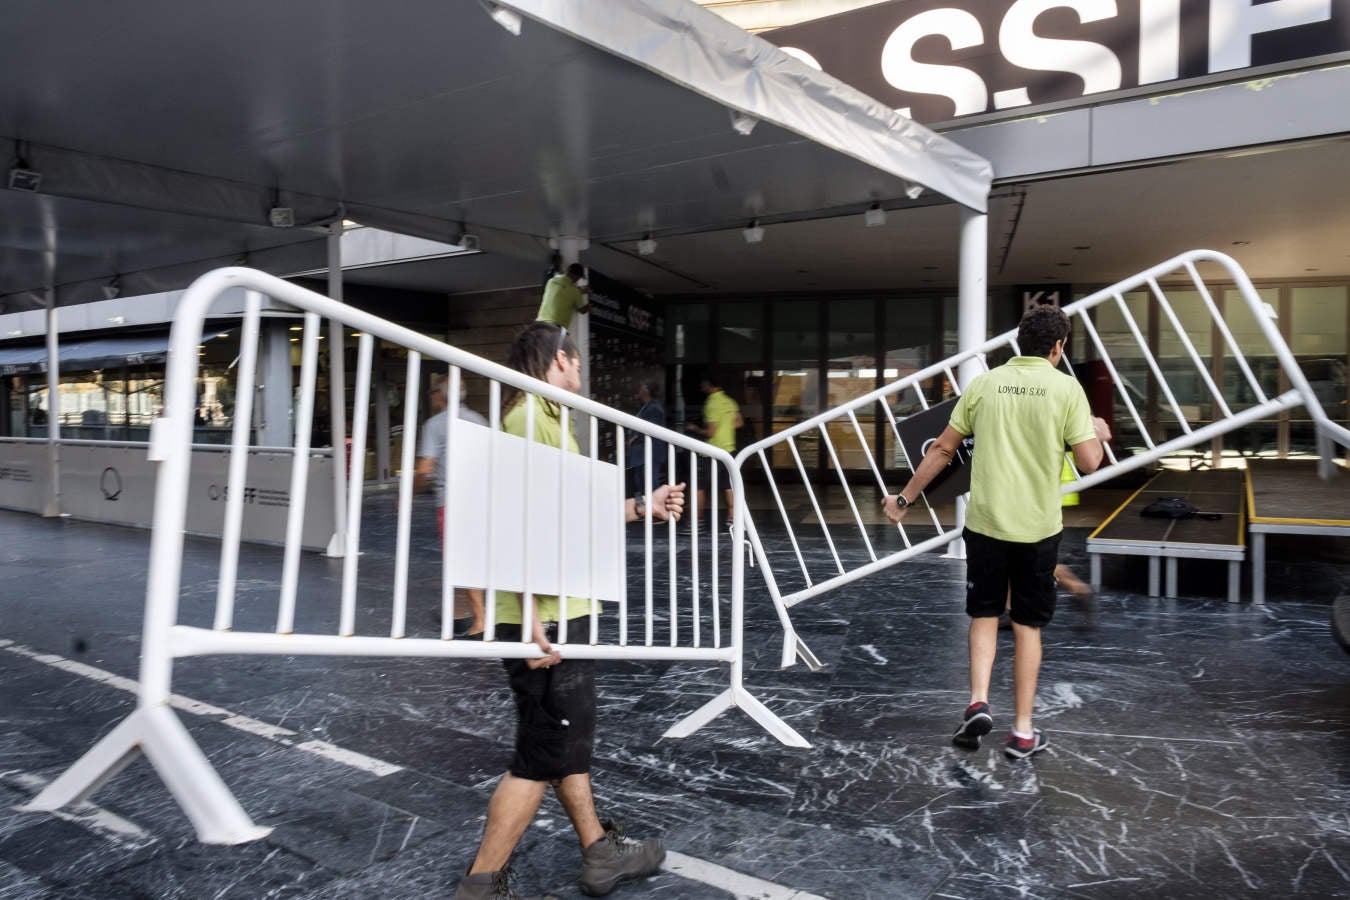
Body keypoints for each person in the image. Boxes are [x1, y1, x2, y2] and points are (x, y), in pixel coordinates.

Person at [454, 322, 684, 900]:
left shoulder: (548, 419)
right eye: (577, 364)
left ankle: (600, 854)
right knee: (540, 751)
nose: (581, 376)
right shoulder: (530, 417)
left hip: (558, 609)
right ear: (560, 359)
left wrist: (640, 506)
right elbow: (518, 517)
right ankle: (482, 882)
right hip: (543, 617)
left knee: (567, 741)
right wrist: (534, 615)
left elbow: (567, 510)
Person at [882, 305, 1110, 760]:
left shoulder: (984, 385)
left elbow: (944, 449)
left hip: (986, 524)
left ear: (1018, 342)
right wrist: (1098, 432)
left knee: (984, 614)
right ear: (1058, 346)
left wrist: (903, 500)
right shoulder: (1066, 389)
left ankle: (978, 701)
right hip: (1037, 529)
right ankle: (1022, 732)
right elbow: (1089, 462)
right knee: (1027, 627)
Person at [415, 373, 490, 637]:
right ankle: (460, 615)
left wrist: (409, 489)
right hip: (478, 498)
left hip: (452, 502)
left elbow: (425, 467)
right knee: (467, 557)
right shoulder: (479, 420)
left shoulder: (436, 425)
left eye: (434, 392)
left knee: (461, 559)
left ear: (440, 396)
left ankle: (480, 621)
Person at [685, 369, 742, 529]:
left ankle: (697, 521)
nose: (702, 387)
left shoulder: (711, 403)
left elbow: (710, 432)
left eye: (703, 384)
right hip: (729, 451)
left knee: (698, 486)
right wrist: (725, 426)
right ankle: (732, 519)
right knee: (729, 486)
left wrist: (695, 428)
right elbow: (739, 423)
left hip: (711, 452)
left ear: (708, 384)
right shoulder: (730, 401)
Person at [625, 381, 666, 499]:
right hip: (643, 455)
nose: (639, 390)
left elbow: (652, 430)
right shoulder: (647, 406)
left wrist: (633, 439)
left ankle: (654, 511)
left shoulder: (654, 408)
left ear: (647, 391)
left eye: (642, 388)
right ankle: (646, 511)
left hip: (650, 453)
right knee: (642, 481)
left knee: (650, 483)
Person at [536, 263, 591, 329]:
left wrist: (580, 290)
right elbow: (582, 310)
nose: (578, 280)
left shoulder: (551, 281)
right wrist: (589, 306)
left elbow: (562, 290)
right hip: (556, 328)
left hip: (539, 323)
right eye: (579, 278)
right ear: (576, 276)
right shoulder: (575, 291)